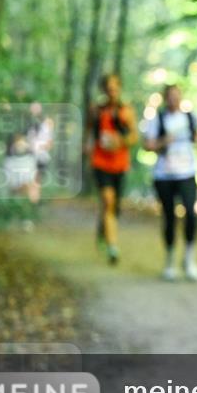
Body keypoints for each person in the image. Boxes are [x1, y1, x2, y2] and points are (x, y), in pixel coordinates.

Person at [143, 84, 197, 281]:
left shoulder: (190, 117)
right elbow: (148, 145)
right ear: (165, 99)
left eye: (177, 96)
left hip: (187, 173)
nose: (174, 100)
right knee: (169, 217)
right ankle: (169, 262)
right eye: (170, 96)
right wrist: (163, 142)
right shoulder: (157, 119)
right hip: (164, 175)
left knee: (191, 215)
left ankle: (189, 258)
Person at [87, 73, 137, 265]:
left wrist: (120, 141)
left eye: (115, 87)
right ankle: (113, 247)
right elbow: (90, 132)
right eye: (108, 88)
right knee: (107, 201)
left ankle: (103, 232)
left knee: (113, 207)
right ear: (104, 90)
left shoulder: (126, 111)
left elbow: (134, 137)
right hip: (100, 163)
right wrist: (87, 147)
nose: (112, 91)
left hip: (120, 164)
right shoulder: (97, 110)